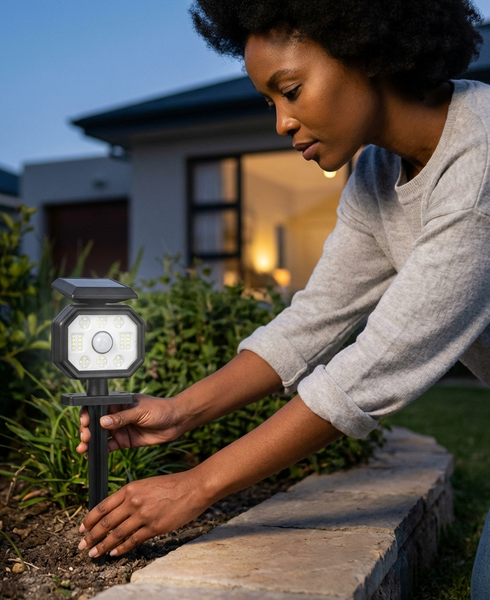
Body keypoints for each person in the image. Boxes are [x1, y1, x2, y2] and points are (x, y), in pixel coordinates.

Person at [77, 1, 490, 595]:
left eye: (291, 90)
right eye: (270, 102)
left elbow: (374, 367)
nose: (282, 123)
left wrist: (198, 486)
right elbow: (314, 320)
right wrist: (180, 412)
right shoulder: (375, 172)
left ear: (366, 51)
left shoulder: (480, 163)